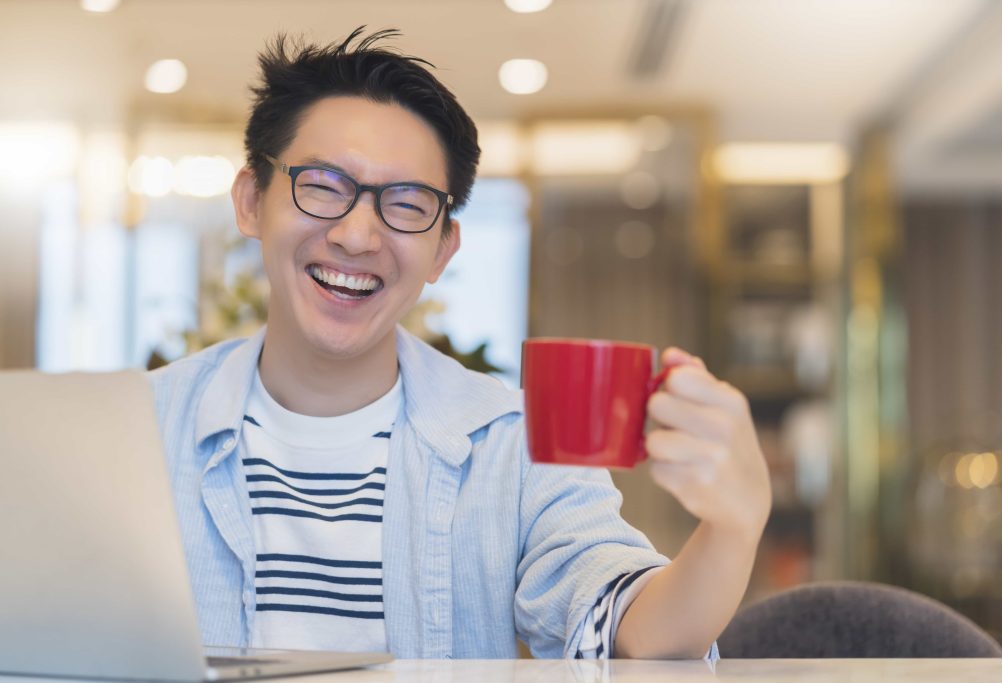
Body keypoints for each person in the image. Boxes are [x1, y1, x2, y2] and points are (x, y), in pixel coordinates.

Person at [148, 27, 771, 660]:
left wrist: (732, 527)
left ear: (443, 248)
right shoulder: (141, 429)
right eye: (324, 186)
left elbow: (632, 636)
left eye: (407, 203)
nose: (358, 235)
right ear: (252, 201)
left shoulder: (514, 441)